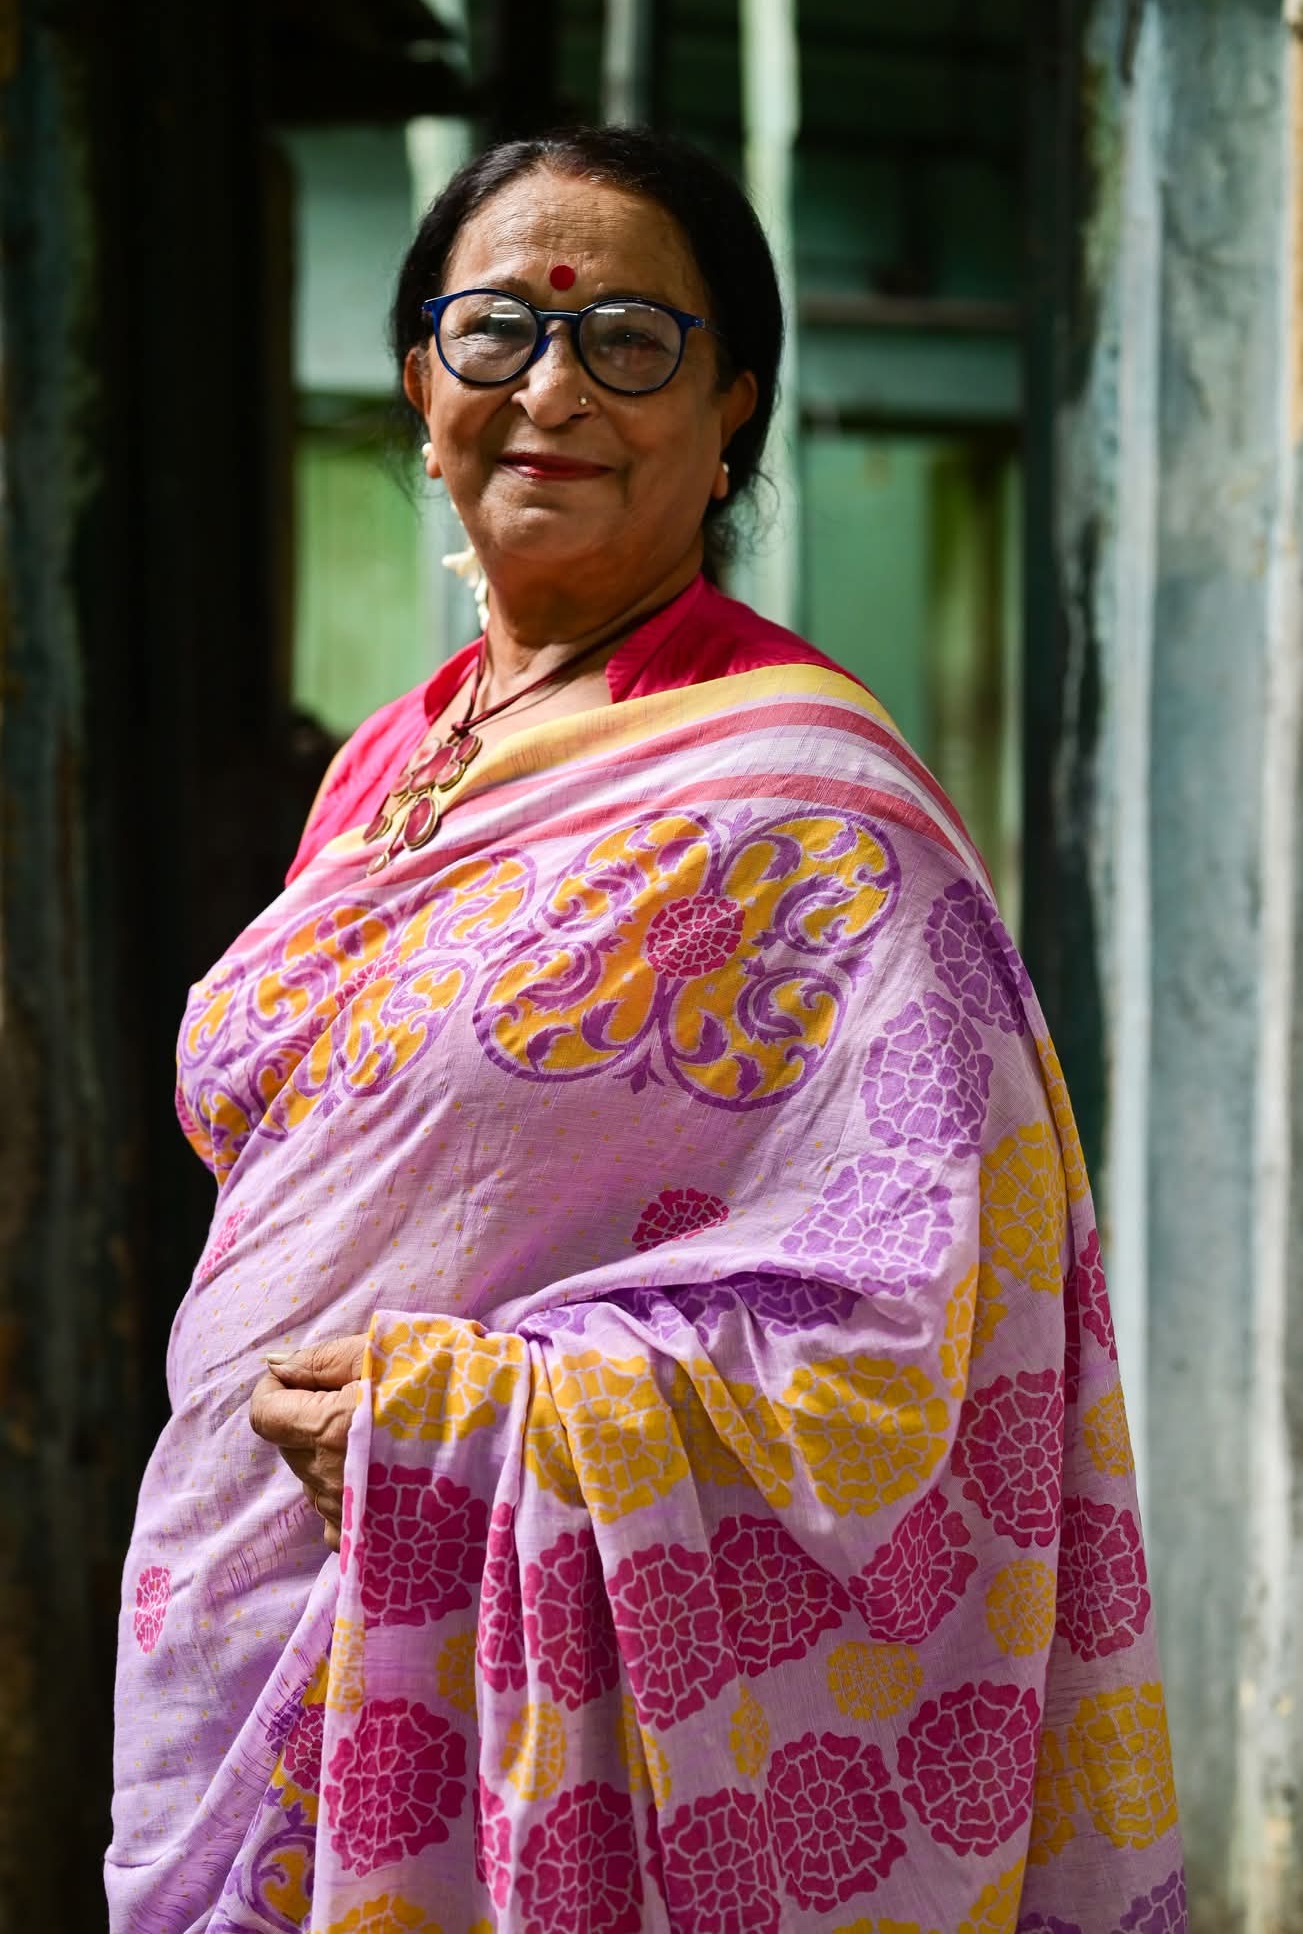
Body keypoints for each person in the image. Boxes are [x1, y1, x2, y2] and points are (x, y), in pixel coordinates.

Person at [107, 126, 1185, 1934]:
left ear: (731, 410)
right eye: (497, 333)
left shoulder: (806, 808)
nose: (554, 388)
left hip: (481, 1684)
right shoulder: (391, 757)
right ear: (419, 383)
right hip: (233, 1634)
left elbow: (929, 1346)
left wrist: (482, 1428)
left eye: (629, 338)